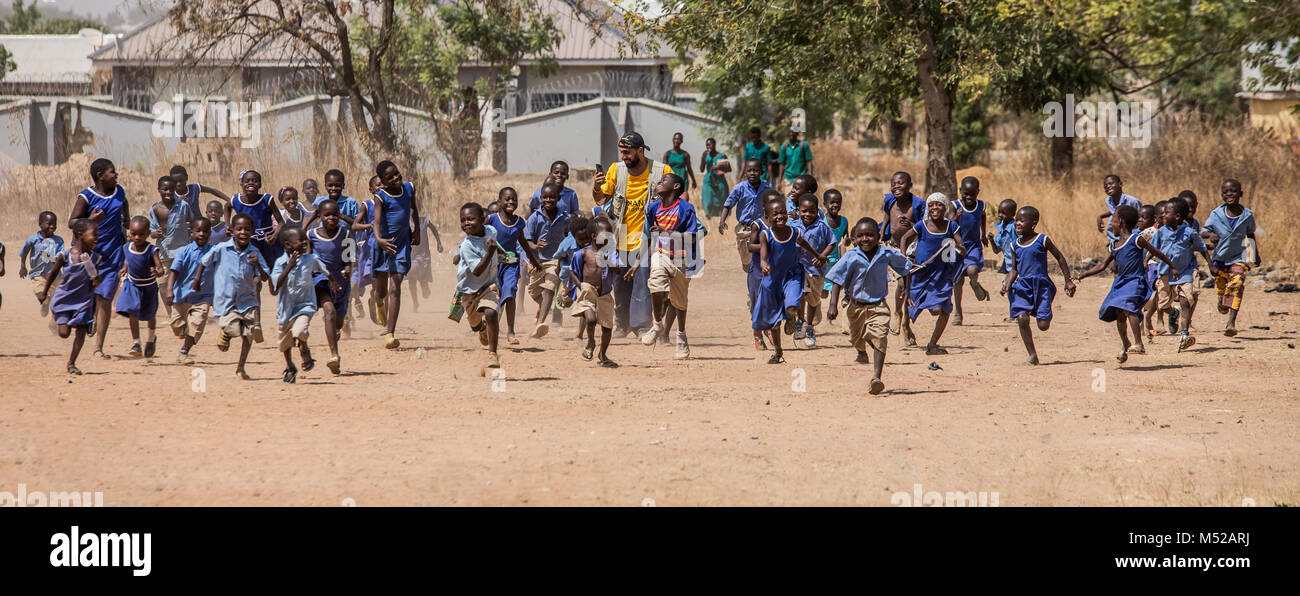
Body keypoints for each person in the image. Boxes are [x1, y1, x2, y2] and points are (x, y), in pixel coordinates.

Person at [591, 131, 673, 336]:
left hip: (648, 239)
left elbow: (674, 200)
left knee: (643, 283)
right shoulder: (616, 170)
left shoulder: (661, 171)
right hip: (620, 236)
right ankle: (622, 324)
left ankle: (640, 325)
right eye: (621, 152)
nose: (624, 157)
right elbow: (600, 200)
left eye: (627, 152)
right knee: (620, 285)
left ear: (640, 151)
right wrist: (596, 187)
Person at [1076, 205, 1177, 363]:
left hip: (1135, 280)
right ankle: (1126, 344)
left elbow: (1157, 252)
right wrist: (1083, 274)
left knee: (1128, 308)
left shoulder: (1136, 240)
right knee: (1118, 313)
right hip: (1120, 282)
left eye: (1113, 221)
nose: (1111, 225)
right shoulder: (1114, 244)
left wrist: (1172, 266)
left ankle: (1139, 343)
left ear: (1121, 222)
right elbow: (1102, 266)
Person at [826, 218, 914, 395]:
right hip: (855, 306)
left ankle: (876, 377)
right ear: (855, 238)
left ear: (878, 236)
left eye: (869, 235)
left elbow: (905, 267)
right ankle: (861, 350)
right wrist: (833, 305)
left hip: (878, 305)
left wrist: (907, 290)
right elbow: (836, 280)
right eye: (860, 236)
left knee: (880, 337)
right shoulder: (851, 256)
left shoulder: (886, 254)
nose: (865, 239)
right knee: (855, 337)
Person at [195, 213, 270, 380]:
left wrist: (257, 264)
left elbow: (264, 277)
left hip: (247, 299)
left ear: (252, 232)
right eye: (239, 229)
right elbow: (204, 262)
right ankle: (226, 332)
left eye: (247, 229)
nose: (243, 232)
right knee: (234, 328)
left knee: (248, 334)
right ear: (232, 231)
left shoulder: (254, 252)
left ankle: (241, 368)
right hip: (226, 300)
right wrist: (197, 280)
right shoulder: (221, 248)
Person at [68, 157, 129, 361]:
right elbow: (72, 222)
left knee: (105, 300)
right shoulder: (86, 197)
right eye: (113, 172)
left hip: (114, 255)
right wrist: (91, 220)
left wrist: (126, 219)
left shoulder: (119, 191)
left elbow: (124, 203)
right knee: (91, 295)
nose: (116, 175)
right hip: (89, 256)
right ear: (100, 175)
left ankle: (98, 348)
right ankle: (86, 317)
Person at [753, 197, 827, 364]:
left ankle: (792, 317)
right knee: (775, 322)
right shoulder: (765, 234)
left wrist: (818, 255)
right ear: (768, 217)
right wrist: (764, 266)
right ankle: (778, 352)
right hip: (772, 279)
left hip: (792, 275)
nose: (780, 216)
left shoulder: (794, 232)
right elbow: (763, 256)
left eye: (782, 213)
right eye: (775, 214)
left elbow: (805, 243)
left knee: (793, 305)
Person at [1000, 206, 1076, 365]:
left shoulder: (1042, 239)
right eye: (1016, 221)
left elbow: (1060, 257)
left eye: (1021, 221)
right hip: (1022, 286)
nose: (1017, 224)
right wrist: (1007, 282)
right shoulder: (1014, 245)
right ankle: (1032, 355)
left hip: (1041, 285)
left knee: (1043, 325)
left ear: (1033, 223)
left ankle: (1043, 311)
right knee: (1022, 319)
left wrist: (1068, 280)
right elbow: (1014, 269)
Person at [639, 173, 700, 358]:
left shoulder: (686, 208)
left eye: (664, 180)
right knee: (655, 285)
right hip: (662, 254)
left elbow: (692, 237)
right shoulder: (652, 208)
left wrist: (667, 233)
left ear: (676, 187)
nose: (659, 182)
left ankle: (681, 336)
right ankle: (657, 325)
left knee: (679, 302)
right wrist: (640, 261)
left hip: (683, 259)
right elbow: (652, 236)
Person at [899, 193, 966, 356]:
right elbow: (904, 238)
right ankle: (904, 323)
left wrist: (959, 248)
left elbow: (961, 246)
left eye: (939, 205)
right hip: (921, 274)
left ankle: (932, 344)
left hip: (941, 275)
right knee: (919, 304)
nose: (935, 208)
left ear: (945, 208)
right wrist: (903, 258)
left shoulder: (951, 226)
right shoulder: (922, 225)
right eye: (931, 205)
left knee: (942, 310)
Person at [271, 227, 333, 383]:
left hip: (305, 305)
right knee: (284, 344)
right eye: (300, 240)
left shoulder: (310, 259)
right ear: (288, 245)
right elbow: (275, 287)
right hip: (286, 309)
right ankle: (290, 366)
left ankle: (304, 348)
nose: (305, 242)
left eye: (305, 239)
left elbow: (323, 268)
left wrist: (332, 280)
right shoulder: (280, 263)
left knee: (299, 331)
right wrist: (289, 267)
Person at [39, 219, 101, 374]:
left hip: (84, 301)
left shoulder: (95, 258)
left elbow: (96, 281)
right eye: (93, 234)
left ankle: (72, 363)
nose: (96, 238)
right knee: (64, 334)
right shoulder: (65, 255)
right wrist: (44, 292)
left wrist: (96, 280)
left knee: (80, 332)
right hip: (64, 299)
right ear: (80, 235)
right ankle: (58, 319)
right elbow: (53, 273)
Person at [1202, 178, 1261, 337]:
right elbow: (1203, 232)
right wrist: (1211, 235)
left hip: (1239, 257)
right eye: (1225, 192)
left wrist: (1255, 254)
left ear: (1240, 193)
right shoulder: (1216, 214)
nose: (1229, 194)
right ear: (1222, 195)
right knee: (1222, 288)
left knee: (1237, 284)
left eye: (1233, 191)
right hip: (1220, 257)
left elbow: (1250, 234)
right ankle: (1222, 299)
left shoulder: (1247, 215)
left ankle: (1231, 323)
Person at [371, 160, 421, 350]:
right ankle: (379, 304)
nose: (396, 178)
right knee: (382, 291)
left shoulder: (409, 188)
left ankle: (390, 333)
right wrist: (379, 240)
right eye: (390, 177)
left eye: (397, 173)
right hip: (385, 246)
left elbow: (413, 209)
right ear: (383, 182)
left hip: (402, 245)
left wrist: (416, 230)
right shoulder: (381, 196)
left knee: (396, 286)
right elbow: (376, 222)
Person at [1151, 197, 1211, 352]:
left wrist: (1211, 265)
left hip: (1185, 272)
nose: (1163, 215)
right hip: (1165, 273)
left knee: (1186, 301)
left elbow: (1202, 248)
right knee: (1163, 305)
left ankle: (1184, 334)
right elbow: (1153, 249)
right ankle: (1173, 313)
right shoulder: (1161, 232)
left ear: (1177, 216)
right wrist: (1145, 261)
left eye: (1166, 213)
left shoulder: (1189, 232)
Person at [455, 202, 503, 374]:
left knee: (491, 313)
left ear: (483, 219)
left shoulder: (492, 231)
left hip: (488, 285)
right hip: (469, 290)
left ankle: (492, 353)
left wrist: (500, 254)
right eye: (463, 220)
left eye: (471, 219)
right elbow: (476, 271)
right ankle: (480, 329)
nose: (466, 223)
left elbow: (495, 248)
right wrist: (490, 252)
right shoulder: (467, 245)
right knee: (475, 325)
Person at [490, 187, 542, 344]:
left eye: (514, 199)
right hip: (493, 265)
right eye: (507, 199)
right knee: (495, 296)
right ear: (499, 202)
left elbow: (523, 243)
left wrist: (533, 261)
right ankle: (491, 328)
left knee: (510, 293)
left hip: (511, 265)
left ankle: (511, 331)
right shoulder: (492, 219)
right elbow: (479, 233)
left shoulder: (519, 222)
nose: (511, 201)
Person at [307, 199, 353, 374]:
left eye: (335, 215)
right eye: (327, 215)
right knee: (329, 311)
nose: (331, 218)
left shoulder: (346, 234)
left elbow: (350, 258)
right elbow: (307, 257)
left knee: (338, 321)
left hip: (341, 284)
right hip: (321, 281)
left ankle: (336, 330)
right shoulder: (311, 235)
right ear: (320, 216)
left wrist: (348, 269)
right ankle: (335, 355)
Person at [881, 171, 925, 345]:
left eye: (901, 183)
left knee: (908, 285)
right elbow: (886, 216)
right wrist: (880, 232)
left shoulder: (918, 205)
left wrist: (912, 225)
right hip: (893, 246)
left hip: (912, 248)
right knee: (901, 283)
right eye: (894, 183)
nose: (896, 186)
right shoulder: (889, 201)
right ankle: (898, 313)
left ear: (910, 185)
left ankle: (906, 322)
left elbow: (925, 226)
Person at [570, 217, 620, 367]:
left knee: (607, 328)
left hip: (604, 294)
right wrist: (580, 286)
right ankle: (591, 341)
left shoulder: (611, 253)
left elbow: (617, 270)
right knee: (590, 320)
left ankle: (602, 354)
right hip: (588, 292)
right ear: (593, 236)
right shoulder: (583, 254)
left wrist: (608, 260)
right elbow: (572, 271)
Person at [115, 216, 167, 358]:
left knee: (150, 315)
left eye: (141, 234)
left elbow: (161, 269)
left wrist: (157, 272)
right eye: (133, 234)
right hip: (132, 285)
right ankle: (136, 343)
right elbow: (128, 261)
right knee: (132, 312)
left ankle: (151, 338)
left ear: (148, 233)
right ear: (129, 233)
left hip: (149, 287)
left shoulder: (152, 250)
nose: (137, 237)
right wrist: (124, 268)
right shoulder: (126, 247)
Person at [524, 182, 571, 339]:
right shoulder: (534, 218)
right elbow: (527, 241)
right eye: (545, 197)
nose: (548, 200)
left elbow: (571, 234)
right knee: (533, 291)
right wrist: (536, 246)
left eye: (552, 197)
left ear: (558, 198)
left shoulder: (565, 218)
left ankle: (541, 324)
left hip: (554, 260)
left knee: (549, 288)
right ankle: (547, 306)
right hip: (536, 261)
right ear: (540, 199)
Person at [789, 193, 835, 347]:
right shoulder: (794, 226)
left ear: (817, 211)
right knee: (801, 295)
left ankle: (810, 327)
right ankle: (800, 322)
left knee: (813, 301)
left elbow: (832, 243)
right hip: (798, 268)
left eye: (811, 211)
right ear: (799, 210)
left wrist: (822, 256)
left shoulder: (822, 227)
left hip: (816, 270)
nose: (807, 214)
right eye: (804, 211)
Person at [169, 217, 215, 364]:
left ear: (210, 234)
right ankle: (184, 333)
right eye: (198, 231)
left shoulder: (214, 252)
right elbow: (174, 272)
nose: (202, 234)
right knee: (176, 325)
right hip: (182, 295)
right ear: (191, 233)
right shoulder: (184, 251)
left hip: (203, 298)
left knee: (196, 325)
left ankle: (184, 351)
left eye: (205, 231)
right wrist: (169, 289)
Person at [149, 175, 195, 320]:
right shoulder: (155, 209)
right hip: (164, 253)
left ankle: (185, 313)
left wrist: (192, 239)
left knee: (183, 283)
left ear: (175, 190)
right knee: (163, 284)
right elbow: (151, 232)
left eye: (171, 190)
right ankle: (172, 315)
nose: (168, 193)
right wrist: (156, 233)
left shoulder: (183, 206)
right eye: (165, 190)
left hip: (182, 252)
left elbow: (193, 223)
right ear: (159, 190)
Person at [950, 176, 990, 325]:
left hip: (973, 246)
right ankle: (958, 312)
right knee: (958, 281)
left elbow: (983, 216)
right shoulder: (955, 205)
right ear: (960, 191)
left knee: (973, 271)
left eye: (972, 194)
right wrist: (956, 217)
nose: (968, 197)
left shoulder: (981, 205)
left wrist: (983, 234)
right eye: (965, 194)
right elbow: (949, 224)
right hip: (957, 247)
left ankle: (974, 285)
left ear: (978, 192)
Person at [719, 158, 772, 272]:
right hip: (745, 229)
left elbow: (772, 204)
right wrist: (722, 221)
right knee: (747, 261)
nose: (752, 173)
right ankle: (748, 267)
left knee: (764, 256)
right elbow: (728, 205)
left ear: (761, 172)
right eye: (749, 170)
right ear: (745, 172)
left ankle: (760, 283)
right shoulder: (739, 188)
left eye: (756, 170)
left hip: (762, 226)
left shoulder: (767, 188)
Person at [225, 169, 285, 267]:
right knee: (251, 272)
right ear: (242, 184)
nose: (251, 183)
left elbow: (281, 222)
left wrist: (274, 236)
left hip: (268, 242)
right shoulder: (236, 200)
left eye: (255, 181)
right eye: (247, 181)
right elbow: (227, 207)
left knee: (273, 272)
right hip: (248, 242)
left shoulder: (267, 199)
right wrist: (227, 225)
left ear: (260, 184)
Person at [19, 210, 64, 324]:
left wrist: (49, 256)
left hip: (55, 275)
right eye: (49, 223)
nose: (52, 226)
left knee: (59, 297)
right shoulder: (33, 239)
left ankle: (54, 321)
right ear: (40, 224)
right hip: (38, 274)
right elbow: (24, 253)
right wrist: (23, 266)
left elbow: (60, 257)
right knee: (41, 296)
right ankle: (45, 303)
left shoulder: (58, 241)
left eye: (54, 224)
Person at [1096, 174, 1142, 241]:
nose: (1108, 187)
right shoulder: (1108, 201)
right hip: (1113, 238)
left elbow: (1140, 217)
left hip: (1128, 239)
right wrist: (1100, 216)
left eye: (1111, 184)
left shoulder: (1132, 201)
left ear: (1120, 184)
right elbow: (1115, 211)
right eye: (1105, 186)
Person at [985, 198, 1017, 275]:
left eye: (1004, 213)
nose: (1000, 215)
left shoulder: (1015, 227)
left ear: (1013, 214)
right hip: (1008, 263)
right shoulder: (1001, 228)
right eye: (999, 212)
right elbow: (996, 251)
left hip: (1018, 264)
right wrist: (991, 240)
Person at [699, 137, 730, 218]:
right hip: (708, 180)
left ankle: (721, 218)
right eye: (707, 145)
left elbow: (729, 169)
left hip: (720, 180)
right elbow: (702, 169)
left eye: (710, 145)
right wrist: (703, 157)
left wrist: (718, 166)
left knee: (721, 200)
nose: (708, 147)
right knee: (707, 200)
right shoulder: (705, 154)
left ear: (714, 144)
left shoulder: (722, 155)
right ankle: (708, 216)